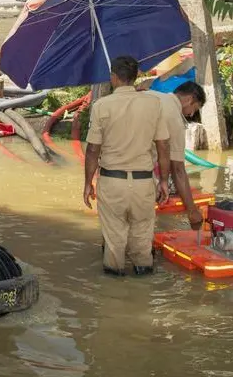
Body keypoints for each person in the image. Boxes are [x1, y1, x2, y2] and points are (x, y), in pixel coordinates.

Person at [83, 55, 171, 277]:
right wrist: (163, 182)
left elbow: (93, 150)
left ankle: (115, 297)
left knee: (114, 243)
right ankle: (143, 287)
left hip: (113, 182)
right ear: (136, 77)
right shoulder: (154, 104)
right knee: (142, 241)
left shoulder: (101, 106)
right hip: (143, 183)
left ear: (113, 77)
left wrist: (87, 183)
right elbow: (163, 146)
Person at [147, 81, 206, 230]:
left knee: (113, 240)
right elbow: (178, 170)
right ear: (190, 99)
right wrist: (192, 211)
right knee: (141, 241)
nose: (191, 114)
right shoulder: (175, 117)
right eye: (194, 109)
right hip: (139, 180)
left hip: (109, 176)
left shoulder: (149, 95)